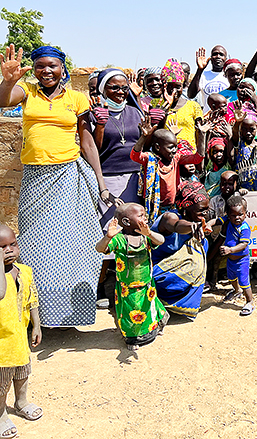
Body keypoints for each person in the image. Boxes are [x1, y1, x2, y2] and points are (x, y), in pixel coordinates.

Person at [0, 45, 107, 327]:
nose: (46, 71)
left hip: (68, 178)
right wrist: (9, 80)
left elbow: (87, 142)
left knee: (70, 245)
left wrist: (101, 182)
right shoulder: (27, 92)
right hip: (36, 180)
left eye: (52, 66)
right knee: (34, 247)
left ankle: (66, 313)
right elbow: (3, 101)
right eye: (40, 66)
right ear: (34, 70)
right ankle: (33, 315)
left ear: (63, 69)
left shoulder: (76, 99)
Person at [89, 68, 145, 308]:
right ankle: (102, 288)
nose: (121, 92)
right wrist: (100, 125)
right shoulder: (95, 113)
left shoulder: (135, 112)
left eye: (124, 88)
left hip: (135, 177)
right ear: (104, 89)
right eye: (114, 88)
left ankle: (126, 284)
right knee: (108, 231)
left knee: (132, 230)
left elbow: (144, 143)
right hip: (108, 179)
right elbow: (95, 149)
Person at [95, 205, 168, 350]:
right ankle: (133, 339)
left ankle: (152, 329)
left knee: (148, 309)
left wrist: (149, 234)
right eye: (141, 215)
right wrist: (108, 236)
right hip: (127, 288)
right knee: (131, 314)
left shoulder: (145, 237)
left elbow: (161, 241)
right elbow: (100, 248)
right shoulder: (120, 240)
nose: (145, 217)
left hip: (147, 284)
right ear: (127, 222)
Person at [0, 225, 42, 439]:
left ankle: (21, 401)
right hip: (2, 343)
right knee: (2, 380)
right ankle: (0, 414)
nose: (8, 250)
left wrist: (36, 324)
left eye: (12, 245)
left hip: (19, 337)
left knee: (23, 373)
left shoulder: (25, 271)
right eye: (1, 247)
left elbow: (31, 298)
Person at [151, 181, 212, 319]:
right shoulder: (169, 218)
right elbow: (177, 225)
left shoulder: (196, 220)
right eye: (201, 210)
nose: (205, 213)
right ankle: (160, 297)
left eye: (207, 209)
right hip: (155, 271)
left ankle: (180, 301)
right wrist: (193, 226)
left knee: (202, 243)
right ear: (186, 208)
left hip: (173, 268)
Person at [212, 195, 254, 316]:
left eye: (240, 214)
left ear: (245, 214)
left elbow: (243, 244)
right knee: (231, 278)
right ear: (228, 215)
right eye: (233, 215)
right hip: (231, 260)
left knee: (244, 281)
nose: (237, 218)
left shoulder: (244, 228)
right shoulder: (228, 220)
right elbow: (217, 221)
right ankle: (236, 291)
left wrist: (230, 250)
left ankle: (250, 302)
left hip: (242, 260)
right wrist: (209, 224)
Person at [160, 58, 204, 151]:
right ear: (164, 86)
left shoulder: (193, 106)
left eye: (178, 87)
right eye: (170, 86)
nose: (174, 90)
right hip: (165, 160)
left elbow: (199, 135)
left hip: (189, 159)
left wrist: (199, 163)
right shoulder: (156, 105)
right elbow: (154, 134)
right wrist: (165, 110)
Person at [188, 45, 229, 111]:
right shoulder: (203, 75)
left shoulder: (230, 77)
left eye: (221, 54)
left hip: (227, 118)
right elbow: (190, 95)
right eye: (215, 54)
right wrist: (200, 70)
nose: (218, 56)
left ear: (226, 59)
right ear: (210, 58)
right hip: (208, 118)